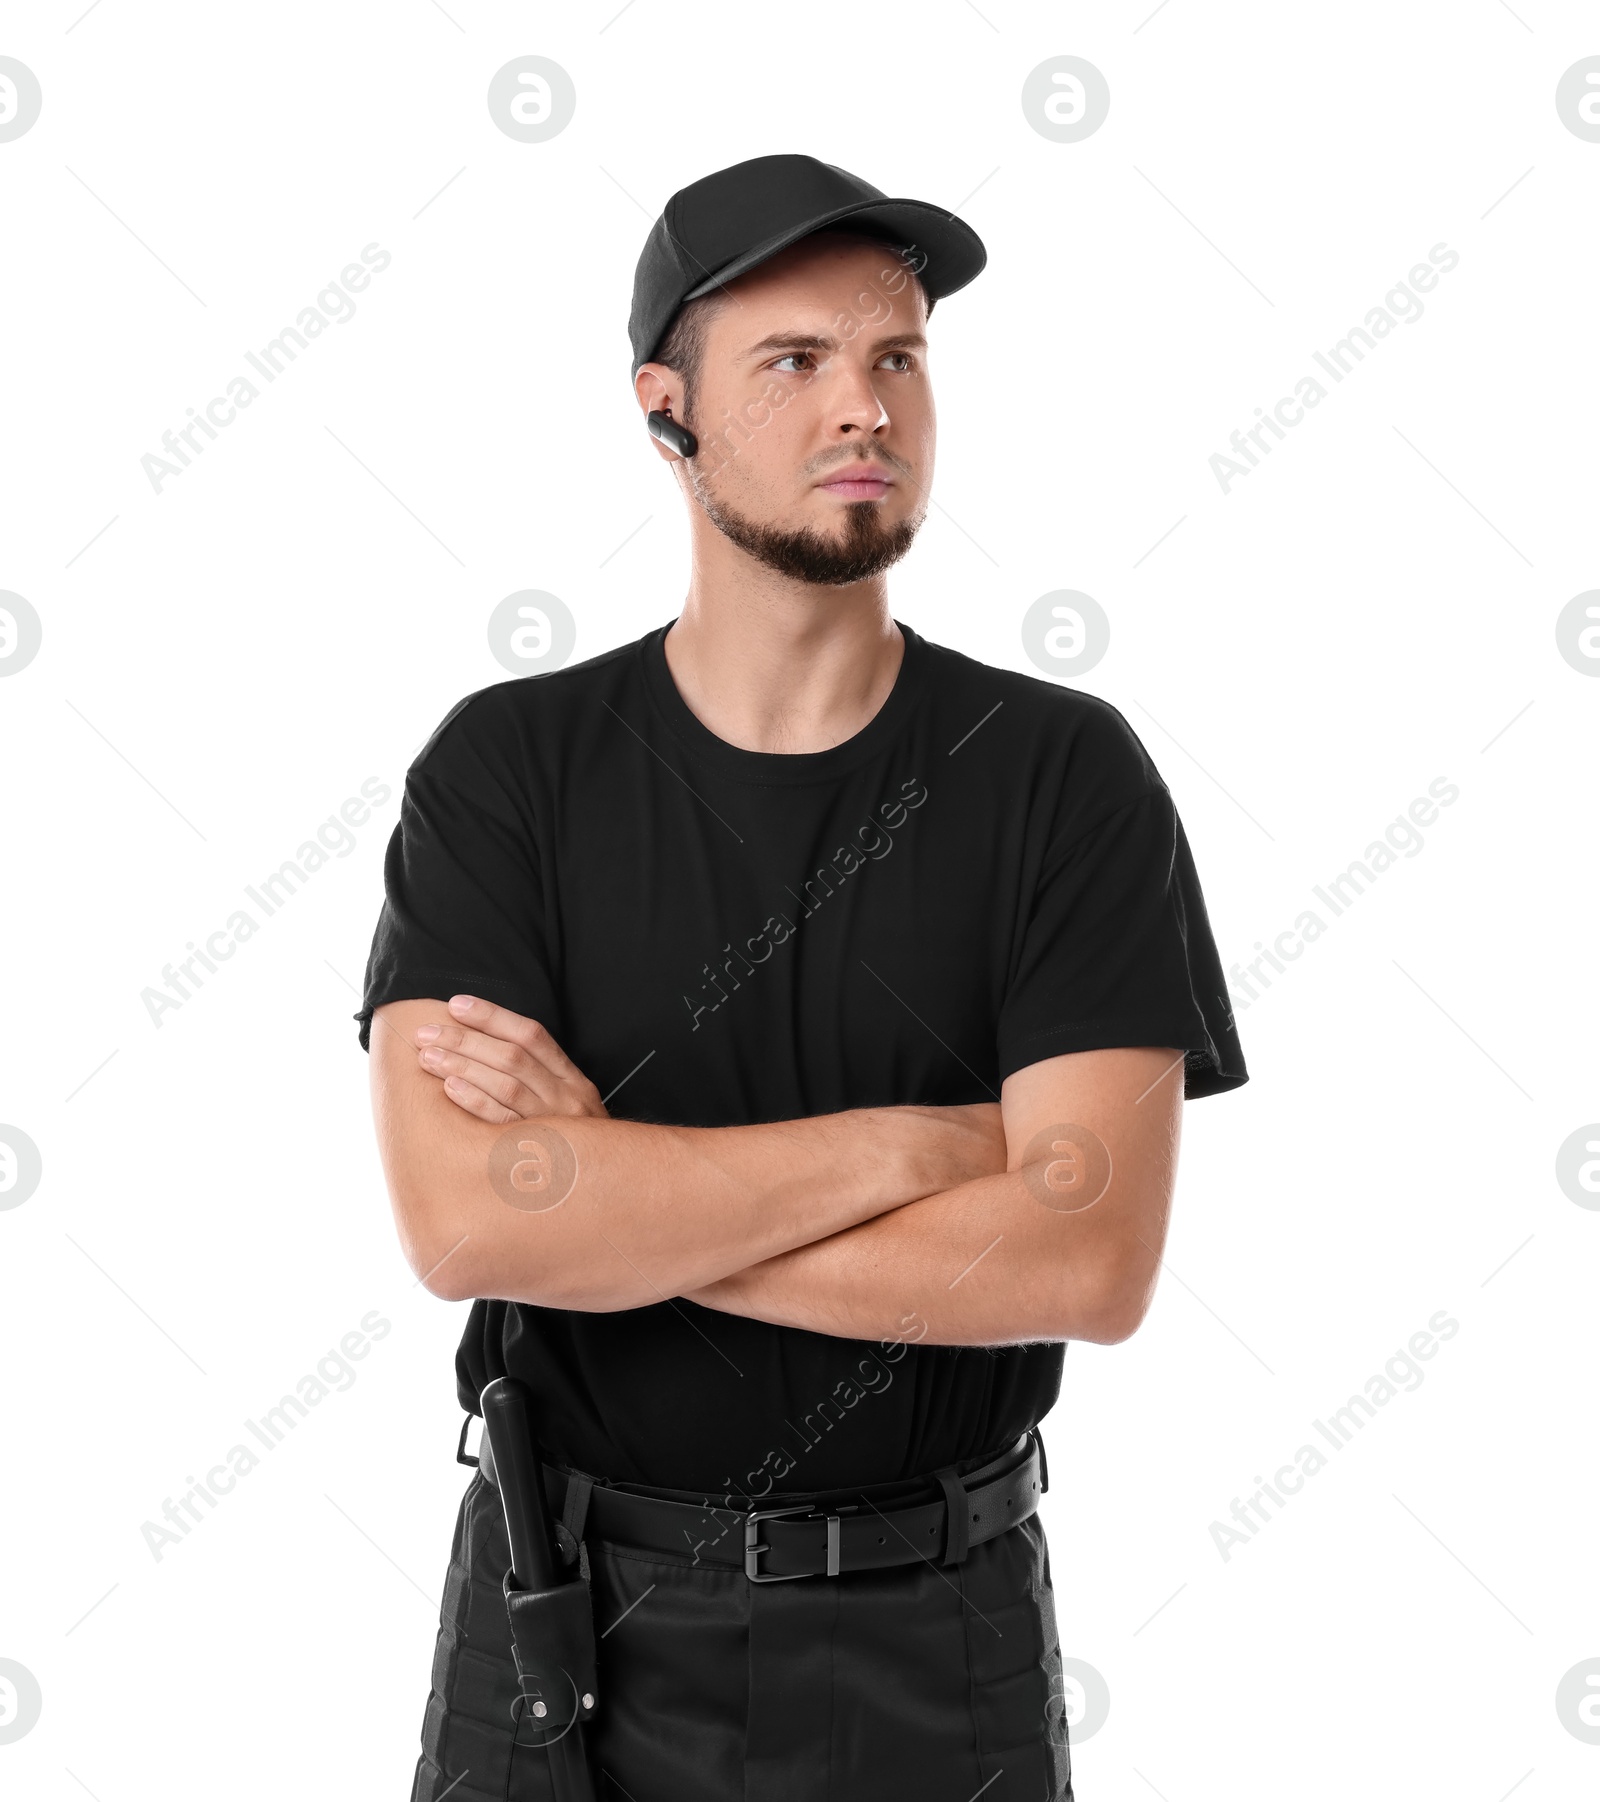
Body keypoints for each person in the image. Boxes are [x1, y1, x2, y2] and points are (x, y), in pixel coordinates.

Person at [357, 152, 1248, 1802]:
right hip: (564, 1637)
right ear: (664, 407)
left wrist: (622, 1205)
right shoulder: (507, 774)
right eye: (794, 362)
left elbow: (1084, 1254)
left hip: (937, 1639)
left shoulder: (1062, 774)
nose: (865, 407)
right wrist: (923, 1149)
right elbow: (472, 1223)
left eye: (895, 359)